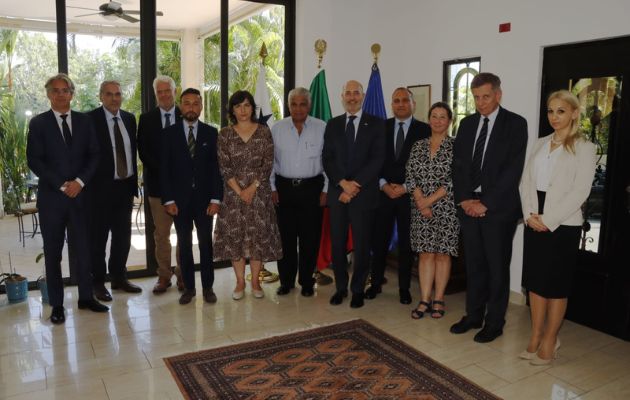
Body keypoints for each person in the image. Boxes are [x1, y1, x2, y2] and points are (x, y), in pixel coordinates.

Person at [519, 90, 596, 365]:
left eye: (561, 111)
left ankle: (551, 339)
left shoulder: (585, 147)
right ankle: (536, 334)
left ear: (574, 113)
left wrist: (548, 220)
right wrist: (529, 214)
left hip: (563, 224)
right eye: (551, 111)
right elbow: (525, 181)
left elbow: (580, 191)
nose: (554, 117)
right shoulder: (540, 143)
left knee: (555, 285)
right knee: (536, 283)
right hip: (534, 217)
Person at [450, 72, 528, 343]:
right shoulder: (468, 124)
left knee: (497, 267)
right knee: (474, 265)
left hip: (498, 209)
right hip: (468, 206)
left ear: (498, 94)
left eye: (485, 96)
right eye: (476, 98)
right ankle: (473, 315)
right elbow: (458, 166)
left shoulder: (516, 124)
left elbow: (512, 171)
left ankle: (494, 322)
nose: (480, 103)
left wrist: (486, 203)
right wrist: (464, 200)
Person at [26, 73, 109, 324]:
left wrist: (80, 182)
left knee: (84, 250)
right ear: (49, 94)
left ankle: (86, 297)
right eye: (56, 90)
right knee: (53, 253)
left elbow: (95, 154)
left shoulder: (84, 121)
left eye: (66, 90)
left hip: (81, 197)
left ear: (72, 93)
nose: (61, 94)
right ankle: (58, 305)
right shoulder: (39, 124)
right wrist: (62, 184)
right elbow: (34, 160)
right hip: (53, 199)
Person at [322, 80, 385, 308]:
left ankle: (357, 289)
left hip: (364, 195)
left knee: (361, 245)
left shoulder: (377, 124)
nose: (351, 97)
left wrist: (354, 185)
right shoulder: (333, 124)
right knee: (337, 245)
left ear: (363, 95)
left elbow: (377, 160)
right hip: (338, 194)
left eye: (355, 93)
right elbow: (327, 158)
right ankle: (341, 288)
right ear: (342, 96)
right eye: (347, 93)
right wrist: (342, 183)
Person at [213, 90, 282, 300]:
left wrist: (252, 188)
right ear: (232, 110)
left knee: (257, 238)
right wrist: (240, 191)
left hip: (259, 194)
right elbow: (224, 167)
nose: (242, 110)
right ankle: (240, 282)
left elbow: (268, 163)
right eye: (238, 106)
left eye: (246, 105)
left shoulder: (263, 132)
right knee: (236, 238)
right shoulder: (224, 133)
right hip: (233, 197)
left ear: (253, 108)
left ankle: (255, 282)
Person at [367, 87, 430, 305]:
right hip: (383, 193)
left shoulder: (424, 130)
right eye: (396, 101)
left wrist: (405, 187)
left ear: (413, 104)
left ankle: (404, 288)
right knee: (379, 241)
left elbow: (425, 166)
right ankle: (375, 283)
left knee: (406, 244)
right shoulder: (380, 128)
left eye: (405, 100)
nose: (401, 104)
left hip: (410, 195)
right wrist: (384, 185)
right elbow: (373, 161)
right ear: (391, 105)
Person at [161, 88, 223, 305]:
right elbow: (164, 170)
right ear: (180, 106)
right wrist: (168, 200)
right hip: (179, 202)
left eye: (195, 103)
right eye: (186, 103)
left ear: (201, 106)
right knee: (184, 245)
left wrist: (216, 199)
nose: (191, 107)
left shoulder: (211, 132)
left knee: (206, 245)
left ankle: (208, 287)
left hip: (205, 202)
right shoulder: (168, 134)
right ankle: (188, 288)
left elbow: (217, 169)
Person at [87, 80, 142, 302]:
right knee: (98, 240)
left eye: (117, 94)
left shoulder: (129, 119)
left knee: (123, 237)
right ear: (101, 96)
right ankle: (98, 283)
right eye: (109, 94)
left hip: (124, 188)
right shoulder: (89, 120)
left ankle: (119, 277)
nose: (114, 98)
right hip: (99, 191)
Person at [271, 87, 327, 297]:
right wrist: (272, 187)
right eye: (294, 104)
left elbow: (328, 161)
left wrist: (326, 189)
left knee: (309, 239)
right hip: (284, 189)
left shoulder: (322, 128)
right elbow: (270, 163)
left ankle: (306, 281)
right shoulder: (277, 128)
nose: (298, 108)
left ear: (309, 105)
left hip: (312, 189)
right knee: (285, 238)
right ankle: (286, 281)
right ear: (288, 106)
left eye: (303, 103)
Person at [406, 102, 459, 319]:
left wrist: (430, 201)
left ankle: (439, 299)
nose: (437, 121)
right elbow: (410, 175)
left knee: (442, 255)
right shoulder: (418, 146)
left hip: (446, 210)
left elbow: (455, 179)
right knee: (425, 255)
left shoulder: (456, 146)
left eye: (442, 117)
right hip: (420, 210)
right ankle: (424, 299)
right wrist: (421, 201)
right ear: (429, 119)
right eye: (434, 116)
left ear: (449, 121)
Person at [137, 75, 184, 294]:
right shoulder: (146, 119)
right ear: (156, 95)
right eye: (160, 92)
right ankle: (164, 276)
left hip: (184, 189)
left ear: (175, 92)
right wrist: (166, 174)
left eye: (168, 91)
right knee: (161, 235)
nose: (164, 95)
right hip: (157, 188)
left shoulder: (186, 115)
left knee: (184, 232)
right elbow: (144, 152)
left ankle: (183, 276)